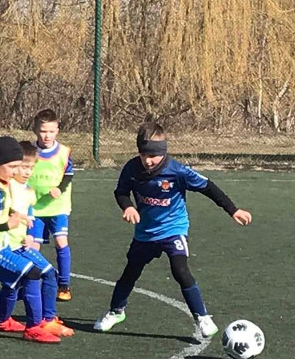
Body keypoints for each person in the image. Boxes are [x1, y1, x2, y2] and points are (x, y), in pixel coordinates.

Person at [93, 122, 252, 340]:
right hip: (145, 232)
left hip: (173, 229)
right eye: (143, 154)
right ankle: (116, 311)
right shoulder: (131, 169)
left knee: (180, 270)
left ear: (163, 151)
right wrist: (127, 206)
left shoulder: (177, 171)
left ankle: (202, 316)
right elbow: (121, 192)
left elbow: (208, 187)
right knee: (131, 272)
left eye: (153, 156)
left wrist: (233, 210)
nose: (148, 160)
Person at [0, 136, 61, 344]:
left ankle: (2, 320)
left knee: (14, 281)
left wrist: (17, 214)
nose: (16, 172)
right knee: (32, 274)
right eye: (13, 167)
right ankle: (34, 327)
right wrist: (8, 225)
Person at [28, 109, 75, 301]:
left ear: (57, 131)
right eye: (43, 131)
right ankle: (34, 281)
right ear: (35, 130)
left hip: (58, 207)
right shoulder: (28, 152)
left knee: (61, 241)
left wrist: (60, 188)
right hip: (34, 208)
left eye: (51, 131)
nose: (47, 136)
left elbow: (69, 174)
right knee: (32, 247)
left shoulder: (64, 152)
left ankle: (64, 285)